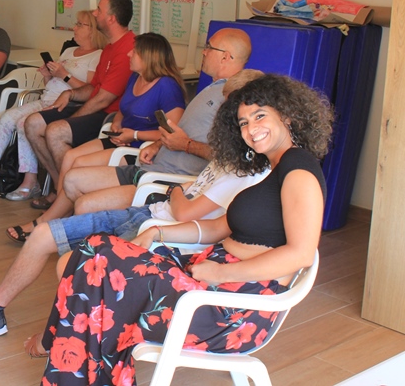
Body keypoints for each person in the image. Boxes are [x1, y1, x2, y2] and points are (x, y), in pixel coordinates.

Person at [36, 74, 332, 384]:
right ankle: (70, 358)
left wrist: (220, 273)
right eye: (243, 122)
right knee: (96, 247)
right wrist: (157, 232)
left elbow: (300, 254)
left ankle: (57, 349)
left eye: (260, 116)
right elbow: (216, 228)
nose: (251, 128)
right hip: (209, 282)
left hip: (226, 308)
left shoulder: (298, 170)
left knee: (98, 261)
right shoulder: (276, 169)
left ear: (286, 115)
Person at [0, 70, 266, 337]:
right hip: (149, 213)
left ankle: (67, 338)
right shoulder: (233, 157)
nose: (225, 117)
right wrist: (178, 190)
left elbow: (187, 210)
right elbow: (191, 193)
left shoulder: (246, 169)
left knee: (69, 264)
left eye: (236, 114)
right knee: (44, 235)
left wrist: (176, 193)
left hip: (159, 229)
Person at [30, 28, 253, 229]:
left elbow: (233, 158)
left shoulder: (235, 98)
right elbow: (178, 129)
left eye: (208, 47)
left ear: (226, 56)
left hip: (166, 178)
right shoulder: (212, 88)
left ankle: (57, 234)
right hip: (150, 164)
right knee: (72, 179)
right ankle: (54, 228)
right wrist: (157, 145)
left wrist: (184, 145)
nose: (203, 52)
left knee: (84, 204)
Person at [7, 32, 186, 240]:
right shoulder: (136, 78)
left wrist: (134, 134)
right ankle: (61, 211)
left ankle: (49, 219)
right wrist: (117, 122)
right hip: (121, 138)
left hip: (140, 147)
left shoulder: (167, 87)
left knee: (78, 165)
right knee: (70, 157)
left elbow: (171, 133)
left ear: (149, 56)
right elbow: (124, 109)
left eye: (135, 51)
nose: (129, 54)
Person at [0, 10, 104, 201]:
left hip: (65, 104)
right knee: (6, 118)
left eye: (80, 24)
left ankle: (30, 181)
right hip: (46, 98)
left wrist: (64, 74)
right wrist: (48, 76)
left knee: (24, 123)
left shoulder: (97, 56)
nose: (75, 27)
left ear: (92, 30)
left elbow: (89, 89)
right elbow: (53, 84)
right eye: (76, 23)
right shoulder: (69, 51)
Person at [25, 0, 135, 207]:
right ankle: (60, 188)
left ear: (111, 18)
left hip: (108, 116)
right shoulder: (110, 47)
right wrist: (71, 94)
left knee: (56, 131)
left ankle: (67, 198)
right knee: (32, 123)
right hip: (94, 107)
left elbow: (103, 99)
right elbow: (94, 88)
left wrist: (71, 119)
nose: (95, 13)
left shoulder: (127, 48)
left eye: (99, 10)